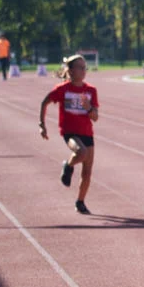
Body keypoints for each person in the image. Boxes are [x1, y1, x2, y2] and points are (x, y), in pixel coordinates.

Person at [38, 55, 99, 215]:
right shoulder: (62, 89)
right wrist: (42, 125)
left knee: (87, 171)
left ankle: (80, 201)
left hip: (87, 132)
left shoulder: (91, 90)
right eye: (81, 67)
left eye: (85, 67)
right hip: (70, 132)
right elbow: (45, 102)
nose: (84, 70)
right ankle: (68, 165)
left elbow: (95, 117)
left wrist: (89, 108)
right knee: (81, 152)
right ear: (71, 71)